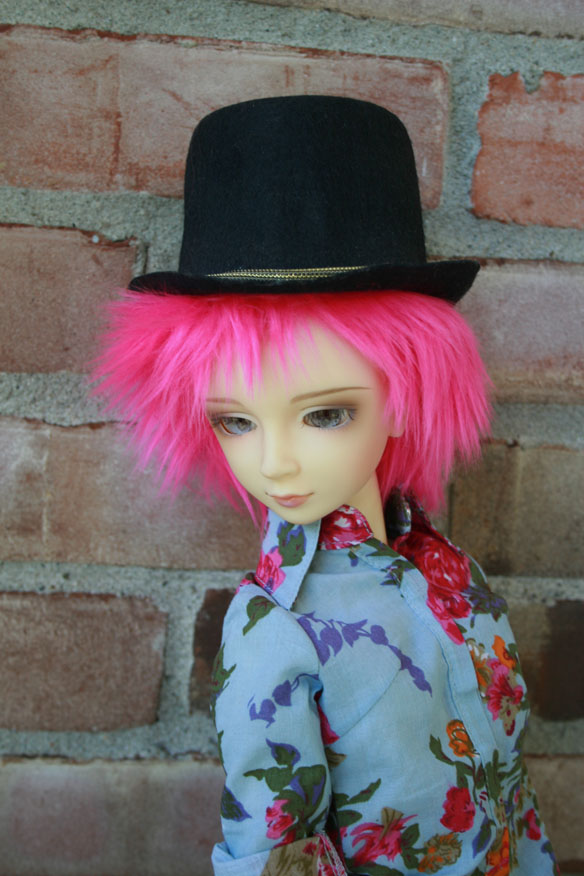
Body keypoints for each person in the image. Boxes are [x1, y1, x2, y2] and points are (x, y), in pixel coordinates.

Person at [93, 96, 558, 875]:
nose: (274, 462)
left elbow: (509, 791)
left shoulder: (448, 571)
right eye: (235, 421)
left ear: (404, 397)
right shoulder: (275, 630)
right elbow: (275, 852)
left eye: (326, 413)